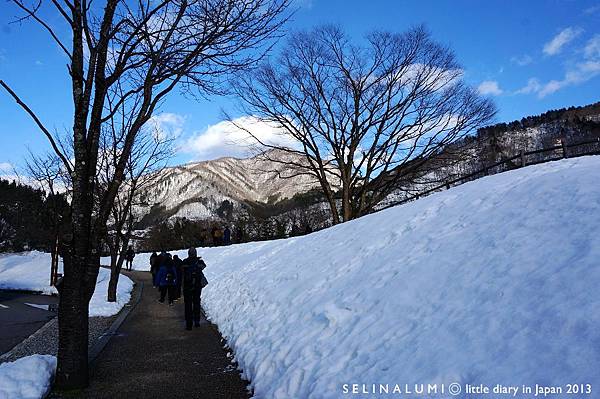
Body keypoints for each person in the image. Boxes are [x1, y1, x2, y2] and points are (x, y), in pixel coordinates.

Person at [182, 247, 208, 330]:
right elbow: (203, 266)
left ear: (188, 253)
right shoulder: (199, 262)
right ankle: (197, 322)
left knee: (188, 305)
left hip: (187, 286)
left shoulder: (185, 261)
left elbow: (181, 271)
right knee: (196, 303)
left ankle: (189, 324)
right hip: (197, 286)